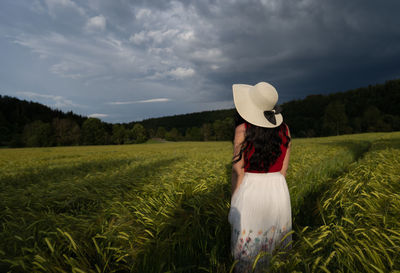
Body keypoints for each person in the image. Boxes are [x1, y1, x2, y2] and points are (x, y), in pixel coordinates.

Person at [228, 82, 292, 273]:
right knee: (276, 245)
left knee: (248, 249)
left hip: (251, 189)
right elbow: (283, 170)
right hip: (278, 189)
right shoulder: (285, 129)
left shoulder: (242, 130)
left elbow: (238, 171)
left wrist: (234, 200)